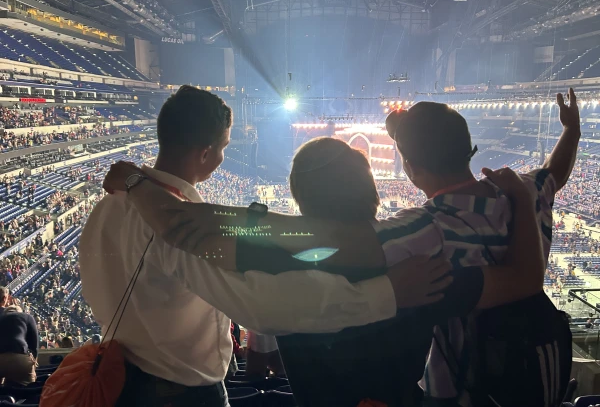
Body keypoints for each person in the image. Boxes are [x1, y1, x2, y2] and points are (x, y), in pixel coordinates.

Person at [102, 88, 579, 406]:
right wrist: (567, 136)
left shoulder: (397, 241)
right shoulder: (425, 261)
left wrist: (145, 186)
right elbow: (525, 270)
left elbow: (297, 247)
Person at [80, 86, 450, 407]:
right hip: (178, 393)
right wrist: (385, 294)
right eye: (225, 147)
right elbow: (260, 306)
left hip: (118, 381)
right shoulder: (179, 229)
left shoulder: (110, 205)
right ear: (207, 154)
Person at [0, 304, 38, 385]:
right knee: (28, 387)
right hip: (20, 359)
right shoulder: (27, 317)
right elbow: (34, 345)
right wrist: (33, 367)